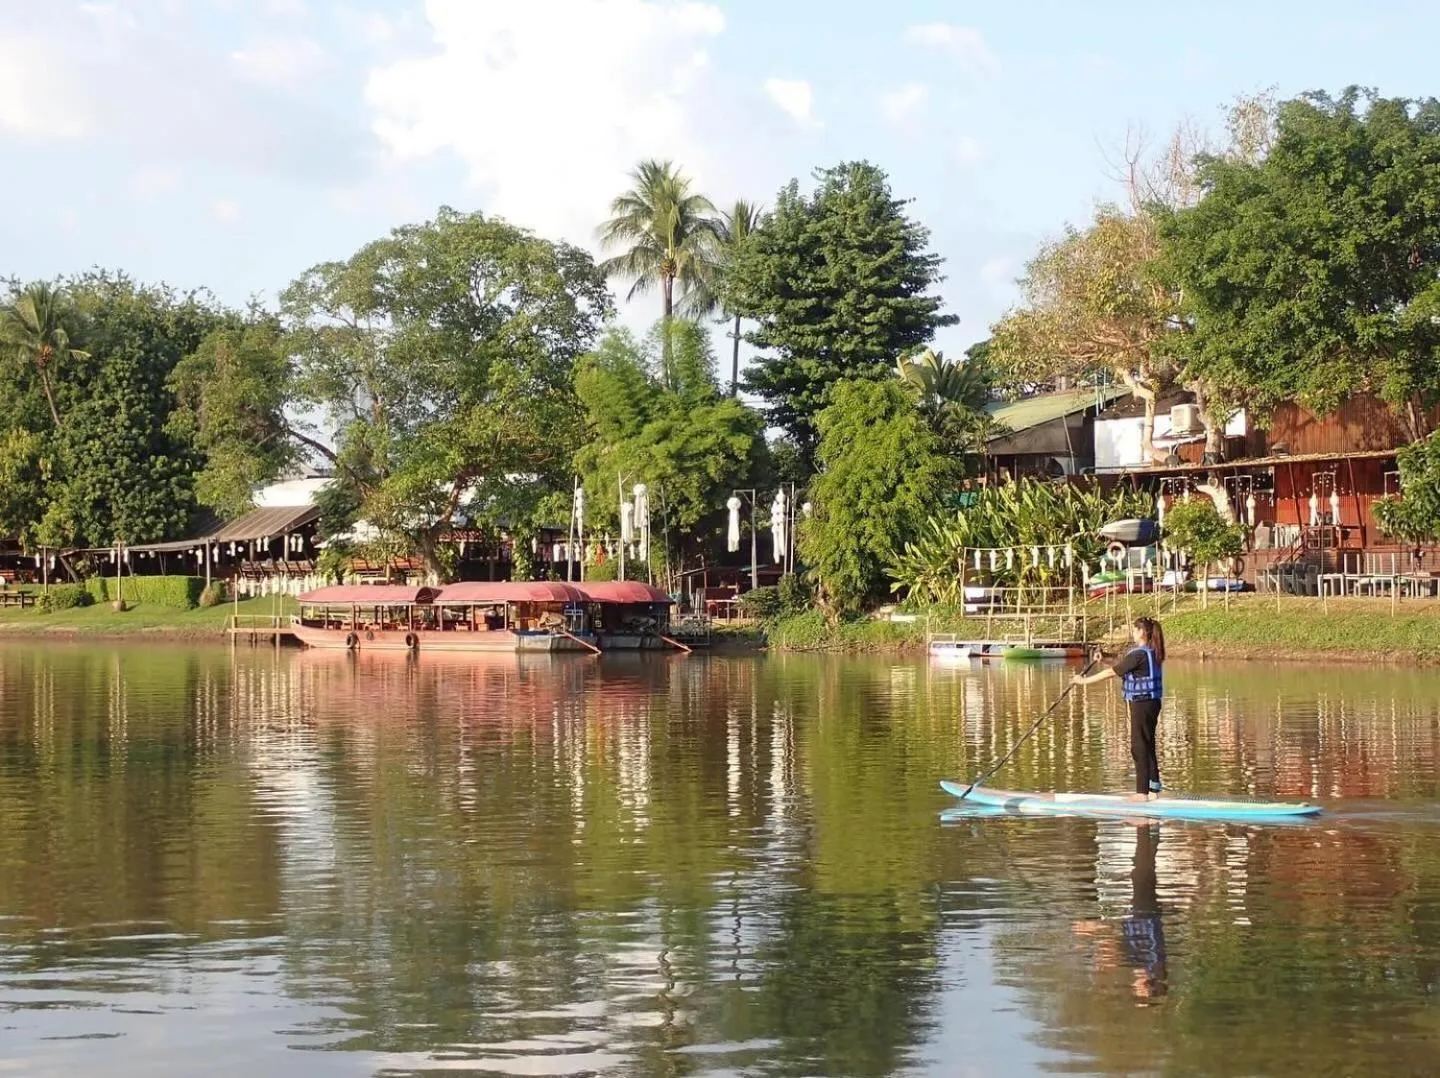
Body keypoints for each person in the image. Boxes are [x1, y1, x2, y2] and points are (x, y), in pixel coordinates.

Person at [1072, 616, 1166, 801]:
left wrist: (1083, 681)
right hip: (1152, 703)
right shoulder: (1150, 652)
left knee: (1138, 746)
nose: (1132, 632)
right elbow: (1124, 667)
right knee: (1147, 744)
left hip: (1141, 703)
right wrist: (1104, 658)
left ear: (1142, 632)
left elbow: (1112, 673)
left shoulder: (1139, 654)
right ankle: (1154, 789)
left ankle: (1142, 794)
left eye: (1134, 629)